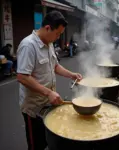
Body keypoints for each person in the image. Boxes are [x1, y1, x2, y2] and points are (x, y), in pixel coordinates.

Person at [17, 11, 82, 150]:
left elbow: (55, 66)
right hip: (33, 108)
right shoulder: (28, 45)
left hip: (48, 105)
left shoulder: (49, 43)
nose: (58, 37)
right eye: (57, 34)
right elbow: (22, 77)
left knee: (47, 141)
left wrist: (72, 75)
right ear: (47, 28)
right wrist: (48, 93)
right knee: (36, 145)